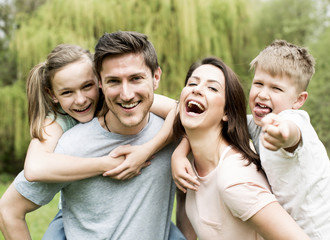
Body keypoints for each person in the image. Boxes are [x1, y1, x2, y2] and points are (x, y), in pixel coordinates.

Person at [0, 31, 190, 239]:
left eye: (136, 78)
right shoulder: (64, 137)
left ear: (155, 77)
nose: (81, 100)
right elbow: (18, 194)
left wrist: (151, 150)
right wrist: (107, 164)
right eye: (114, 81)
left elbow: (184, 113)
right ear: (102, 83)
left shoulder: (163, 122)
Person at [172, 40, 330, 239]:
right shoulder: (256, 124)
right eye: (258, 83)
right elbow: (180, 110)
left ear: (299, 100)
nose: (263, 93)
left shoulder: (291, 120)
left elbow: (293, 132)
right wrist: (178, 152)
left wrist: (282, 134)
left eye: (276, 89)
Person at [172, 56, 309, 239]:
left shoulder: (235, 180)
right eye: (192, 83)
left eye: (212, 88)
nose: (197, 90)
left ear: (227, 113)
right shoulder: (187, 167)